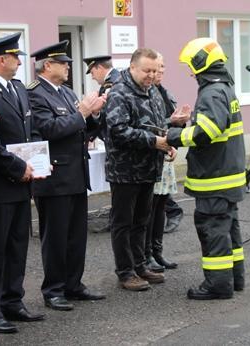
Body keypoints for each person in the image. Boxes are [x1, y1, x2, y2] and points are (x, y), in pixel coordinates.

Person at [156, 37, 246, 300]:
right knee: (230, 230)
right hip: (228, 176)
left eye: (191, 66)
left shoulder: (211, 93)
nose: (191, 72)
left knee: (213, 230)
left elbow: (207, 131)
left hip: (214, 178)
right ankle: (234, 279)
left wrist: (174, 136)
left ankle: (218, 285)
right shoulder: (225, 89)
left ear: (200, 64)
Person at [0, 32, 44, 334]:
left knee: (17, 245)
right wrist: (18, 167)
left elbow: (30, 132)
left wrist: (39, 160)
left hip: (20, 181)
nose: (19, 62)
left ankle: (13, 301)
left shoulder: (17, 88)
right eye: (16, 57)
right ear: (2, 59)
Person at [27, 40, 106, 311]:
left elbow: (82, 130)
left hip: (75, 174)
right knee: (56, 238)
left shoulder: (66, 92)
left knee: (76, 236)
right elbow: (48, 129)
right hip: (54, 176)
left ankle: (74, 284)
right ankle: (53, 290)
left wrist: (93, 115)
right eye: (64, 63)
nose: (68, 67)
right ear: (47, 66)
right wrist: (82, 112)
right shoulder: (35, 94)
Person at [105, 48, 175, 292]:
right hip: (125, 170)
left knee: (142, 220)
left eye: (155, 71)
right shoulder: (119, 93)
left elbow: (156, 125)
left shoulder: (152, 91)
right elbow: (118, 131)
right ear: (133, 67)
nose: (152, 75)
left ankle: (140, 264)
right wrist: (154, 142)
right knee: (123, 222)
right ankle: (125, 271)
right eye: (147, 70)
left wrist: (166, 143)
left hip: (148, 167)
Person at [145, 52, 190, 272]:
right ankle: (147, 255)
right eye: (156, 67)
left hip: (165, 155)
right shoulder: (144, 92)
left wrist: (179, 126)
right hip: (151, 156)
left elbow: (169, 126)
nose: (160, 71)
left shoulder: (164, 91)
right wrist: (170, 121)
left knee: (162, 205)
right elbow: (149, 125)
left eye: (163, 66)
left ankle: (157, 251)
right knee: (150, 209)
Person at [82, 55, 120, 141]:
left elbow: (106, 115)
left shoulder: (110, 83)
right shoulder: (117, 77)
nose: (92, 77)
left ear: (99, 68)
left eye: (92, 73)